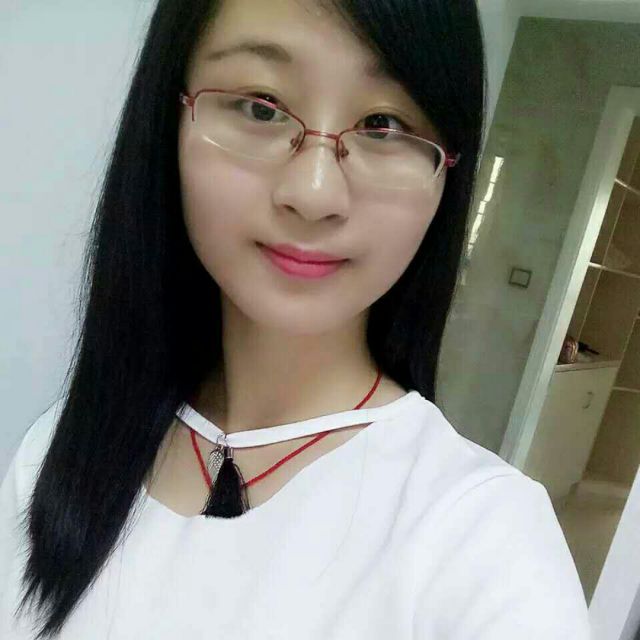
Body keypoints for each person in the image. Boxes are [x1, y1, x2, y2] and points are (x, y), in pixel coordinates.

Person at [0, 0, 591, 638]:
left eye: (384, 124)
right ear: (168, 117)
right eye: (261, 106)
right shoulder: (60, 450)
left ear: (448, 167)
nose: (314, 194)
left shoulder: (485, 541)